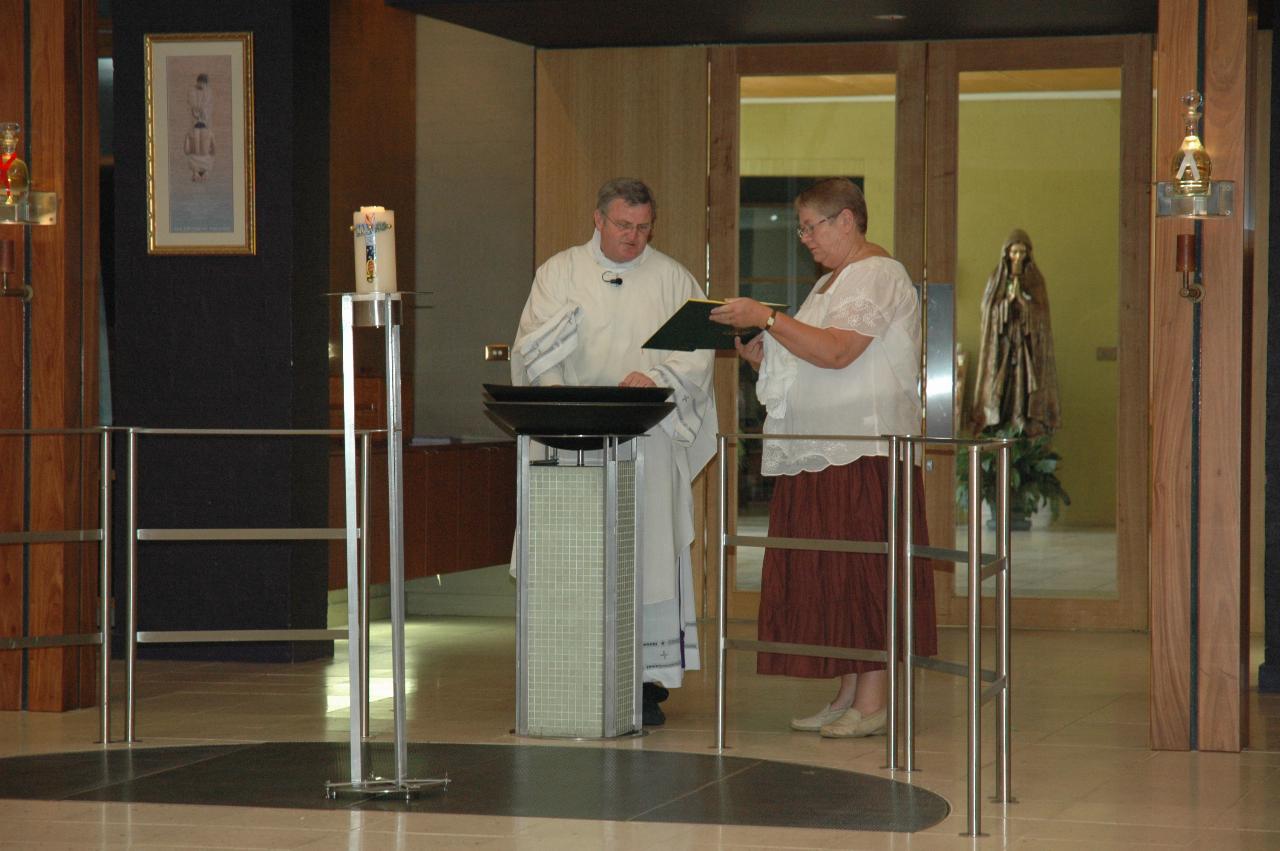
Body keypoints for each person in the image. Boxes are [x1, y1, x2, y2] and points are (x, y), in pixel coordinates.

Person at [710, 178, 936, 738]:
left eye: (812, 226)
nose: (805, 238)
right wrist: (766, 357)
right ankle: (846, 695)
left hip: (861, 451)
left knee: (863, 573)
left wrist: (767, 317)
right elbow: (814, 359)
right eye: (802, 227)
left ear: (848, 221)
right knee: (832, 574)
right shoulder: (831, 283)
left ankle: (875, 699)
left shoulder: (879, 273)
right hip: (822, 450)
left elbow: (838, 352)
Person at [511, 178, 717, 726]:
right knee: (573, 555)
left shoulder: (673, 277)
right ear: (598, 220)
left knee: (646, 554)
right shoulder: (560, 272)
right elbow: (534, 344)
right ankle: (570, 670)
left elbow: (696, 355)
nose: (634, 237)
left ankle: (645, 682)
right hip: (573, 437)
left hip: (643, 436)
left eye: (644, 227)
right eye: (624, 226)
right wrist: (556, 397)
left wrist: (651, 377)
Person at [971, 229, 1060, 437]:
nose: (1018, 257)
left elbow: (1041, 314)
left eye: (1022, 252)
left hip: (1026, 348)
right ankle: (1000, 424)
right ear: (1007, 254)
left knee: (1024, 384)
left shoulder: (1035, 281)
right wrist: (1006, 304)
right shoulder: (997, 279)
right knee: (1002, 387)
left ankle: (1022, 421)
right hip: (1002, 347)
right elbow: (988, 311)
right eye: (1014, 252)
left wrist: (1023, 302)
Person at [184, 73, 215, 182]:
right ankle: (196, 172)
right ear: (198, 82)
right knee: (195, 142)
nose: (202, 85)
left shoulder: (208, 91)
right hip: (195, 119)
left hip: (205, 120)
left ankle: (204, 171)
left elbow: (209, 105)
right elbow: (191, 105)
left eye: (204, 84)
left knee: (204, 142)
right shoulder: (191, 91)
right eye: (201, 83)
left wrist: (204, 112)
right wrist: (196, 111)